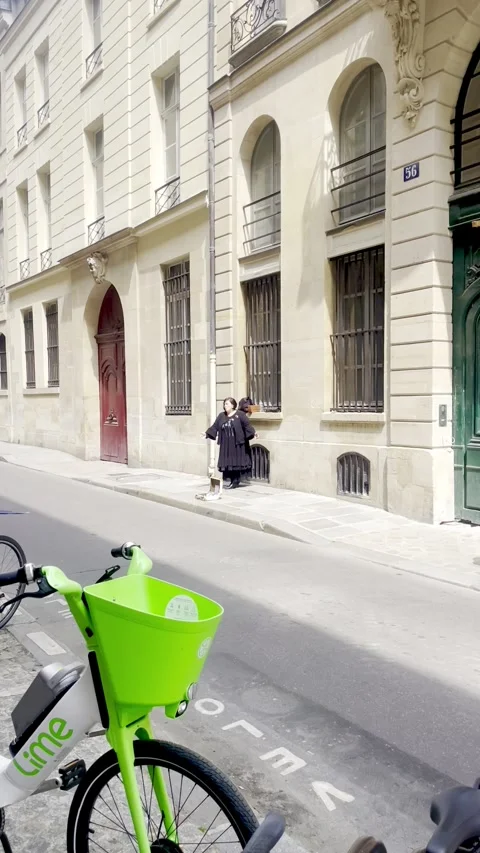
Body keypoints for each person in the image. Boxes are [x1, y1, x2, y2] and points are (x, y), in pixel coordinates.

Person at [205, 397, 255, 489]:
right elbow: (215, 427)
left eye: (227, 404)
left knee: (236, 462)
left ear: (232, 405)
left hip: (237, 444)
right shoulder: (221, 416)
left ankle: (235, 481)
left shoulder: (240, 415)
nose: (225, 406)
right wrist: (207, 434)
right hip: (226, 444)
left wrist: (253, 433)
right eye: (224, 404)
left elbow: (247, 426)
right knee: (228, 462)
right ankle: (232, 480)